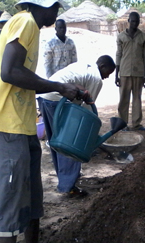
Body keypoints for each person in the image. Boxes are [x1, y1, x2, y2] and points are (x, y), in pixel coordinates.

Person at [0, 0, 84, 243]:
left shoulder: (31, 27)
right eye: (54, 6)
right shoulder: (26, 22)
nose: (57, 11)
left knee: (31, 199)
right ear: (41, 4)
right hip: (6, 127)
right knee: (10, 204)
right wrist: (58, 86)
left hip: (22, 125)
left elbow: (22, 76)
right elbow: (9, 72)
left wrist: (61, 91)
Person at [37, 55, 116, 193]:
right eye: (108, 73)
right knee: (71, 143)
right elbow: (86, 109)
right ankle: (68, 187)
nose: (107, 77)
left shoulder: (84, 64)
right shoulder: (96, 77)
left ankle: (65, 179)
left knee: (56, 141)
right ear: (102, 66)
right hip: (57, 100)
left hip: (45, 97)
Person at [115, 11, 145, 131]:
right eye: (132, 21)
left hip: (138, 73)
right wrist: (116, 74)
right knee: (123, 99)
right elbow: (118, 55)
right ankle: (122, 124)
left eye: (137, 21)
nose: (135, 23)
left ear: (139, 22)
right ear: (128, 21)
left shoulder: (143, 37)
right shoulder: (121, 37)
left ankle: (136, 124)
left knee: (137, 99)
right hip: (124, 72)